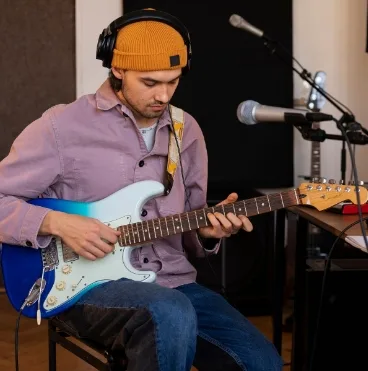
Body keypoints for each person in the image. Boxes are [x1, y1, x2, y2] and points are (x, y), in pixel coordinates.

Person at [0, 8, 283, 371]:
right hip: (82, 286)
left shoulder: (186, 130)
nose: (163, 95)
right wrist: (57, 223)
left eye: (173, 81)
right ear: (117, 69)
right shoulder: (61, 127)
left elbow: (193, 226)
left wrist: (209, 232)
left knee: (263, 363)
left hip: (173, 282)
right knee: (167, 313)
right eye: (150, 83)